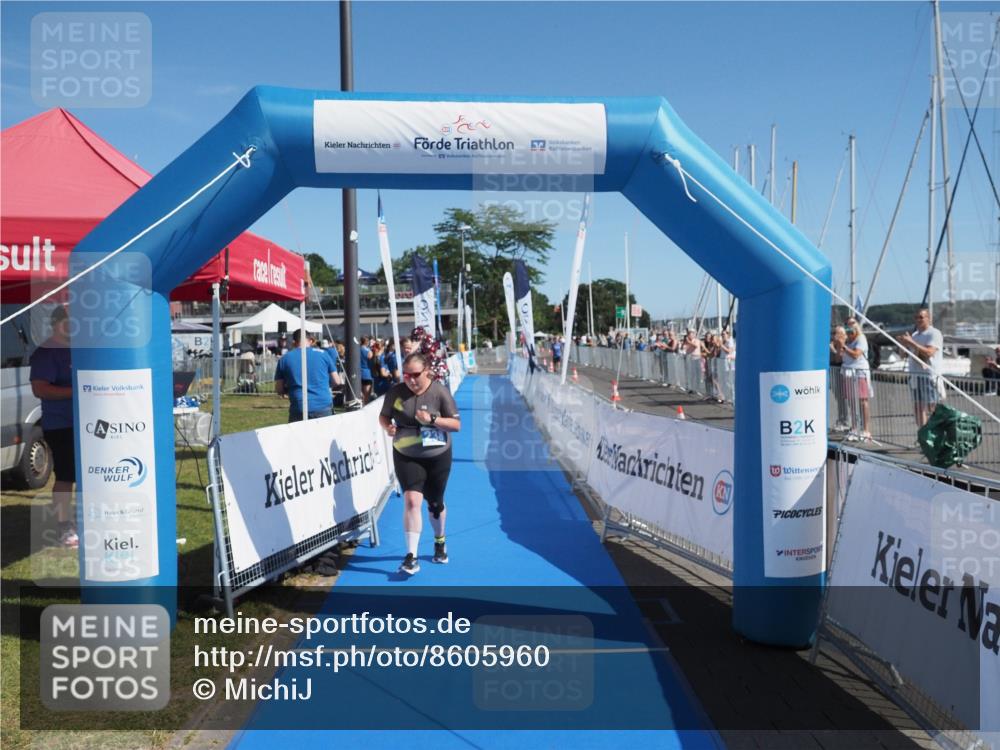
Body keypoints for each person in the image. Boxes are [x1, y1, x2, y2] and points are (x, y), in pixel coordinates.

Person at [378, 352, 461, 575]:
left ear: (427, 372)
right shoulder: (396, 393)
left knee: (435, 503)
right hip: (406, 453)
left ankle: (439, 541)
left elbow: (456, 425)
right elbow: (384, 416)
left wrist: (433, 419)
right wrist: (388, 427)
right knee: (412, 500)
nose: (411, 379)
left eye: (416, 374)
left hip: (437, 455)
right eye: (406, 375)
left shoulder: (439, 392)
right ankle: (411, 556)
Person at [29, 305, 77, 547]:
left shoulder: (79, 349)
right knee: (66, 475)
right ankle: (64, 526)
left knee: (90, 474)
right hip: (61, 425)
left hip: (88, 424)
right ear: (58, 323)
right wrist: (77, 391)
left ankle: (90, 519)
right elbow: (40, 389)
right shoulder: (46, 353)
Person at [274, 329, 341, 422]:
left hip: (298, 407)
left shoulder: (284, 359)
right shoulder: (323, 354)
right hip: (323, 405)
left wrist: (287, 389)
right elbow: (337, 381)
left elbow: (279, 389)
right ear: (310, 341)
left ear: (293, 342)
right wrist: (324, 384)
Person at [899, 308, 944, 429]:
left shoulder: (934, 333)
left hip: (928, 375)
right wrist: (903, 344)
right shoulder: (915, 335)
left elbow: (929, 352)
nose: (918, 320)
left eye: (921, 317)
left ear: (928, 318)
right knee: (918, 407)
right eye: (916, 317)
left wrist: (911, 342)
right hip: (915, 375)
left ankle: (936, 432)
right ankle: (922, 432)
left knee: (932, 406)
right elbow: (903, 355)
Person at [841, 319, 872, 441]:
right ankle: (854, 429)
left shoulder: (861, 338)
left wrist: (844, 347)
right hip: (848, 372)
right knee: (852, 401)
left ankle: (866, 430)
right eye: (848, 324)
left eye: (853, 323)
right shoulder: (847, 339)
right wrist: (839, 345)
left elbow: (856, 354)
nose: (850, 326)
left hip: (860, 372)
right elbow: (840, 356)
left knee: (862, 401)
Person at [359, 336, 373, 403]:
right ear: (367, 342)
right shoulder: (368, 351)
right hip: (367, 374)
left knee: (360, 394)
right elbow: (371, 357)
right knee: (367, 395)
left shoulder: (357, 349)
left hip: (359, 373)